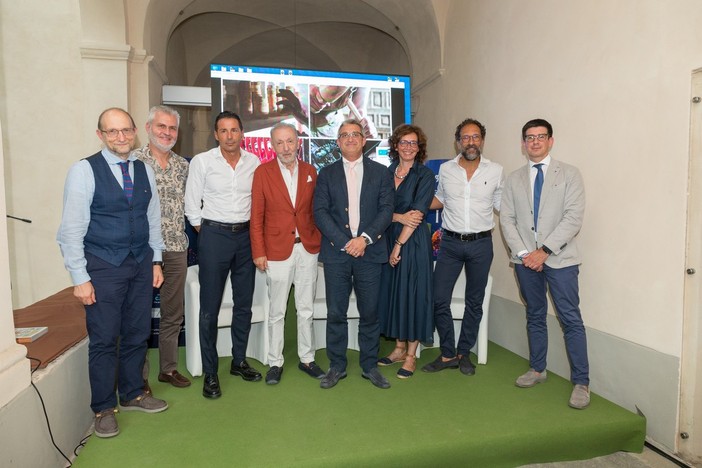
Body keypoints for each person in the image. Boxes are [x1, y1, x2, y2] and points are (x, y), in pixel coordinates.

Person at [57, 107, 168, 439]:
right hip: (103, 266)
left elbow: (152, 217)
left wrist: (156, 260)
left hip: (140, 263)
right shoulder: (83, 171)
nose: (121, 137)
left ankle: (133, 392)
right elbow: (70, 230)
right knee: (105, 339)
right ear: (100, 135)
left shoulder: (143, 169)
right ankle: (103, 408)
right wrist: (80, 277)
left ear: (135, 131)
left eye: (126, 131)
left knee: (137, 333)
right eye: (112, 132)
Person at [500, 118, 590, 409]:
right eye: (529, 137)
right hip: (525, 260)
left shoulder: (570, 174)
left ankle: (582, 382)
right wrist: (526, 253)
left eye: (541, 137)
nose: (535, 142)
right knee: (535, 314)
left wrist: (545, 251)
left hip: (560, 259)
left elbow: (573, 217)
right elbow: (507, 219)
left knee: (570, 319)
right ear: (523, 143)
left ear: (550, 141)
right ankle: (537, 369)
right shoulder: (513, 179)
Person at [185, 111, 261, 399]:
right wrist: (207, 233)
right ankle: (211, 372)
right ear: (216, 135)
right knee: (209, 308)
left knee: (244, 302)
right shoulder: (203, 162)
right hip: (213, 236)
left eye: (234, 130)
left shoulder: (253, 162)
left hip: (246, 237)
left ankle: (239, 361)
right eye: (223, 131)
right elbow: (192, 205)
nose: (229, 136)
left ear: (242, 133)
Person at [313, 119, 394, 389]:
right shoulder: (326, 173)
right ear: (337, 142)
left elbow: (386, 210)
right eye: (344, 135)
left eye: (355, 134)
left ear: (363, 140)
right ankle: (337, 366)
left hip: (370, 253)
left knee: (370, 312)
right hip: (337, 254)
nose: (350, 139)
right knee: (336, 312)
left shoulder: (381, 173)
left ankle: (370, 366)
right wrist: (346, 242)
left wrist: (365, 239)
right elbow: (320, 212)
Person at [421, 118, 504, 376]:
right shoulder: (446, 170)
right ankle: (447, 353)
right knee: (438, 299)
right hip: (450, 244)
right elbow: (440, 199)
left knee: (474, 302)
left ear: (482, 140)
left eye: (475, 137)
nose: (471, 142)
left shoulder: (496, 170)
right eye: (465, 137)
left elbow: (504, 207)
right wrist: (411, 204)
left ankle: (463, 352)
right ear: (458, 141)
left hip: (481, 244)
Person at [250, 122, 325, 385]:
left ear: (298, 142)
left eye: (290, 141)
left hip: (306, 249)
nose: (285, 147)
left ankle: (307, 358)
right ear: (272, 145)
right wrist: (258, 251)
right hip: (275, 252)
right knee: (277, 311)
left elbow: (315, 211)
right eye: (279, 142)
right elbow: (256, 215)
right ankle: (275, 362)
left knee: (306, 308)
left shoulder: (310, 171)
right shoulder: (262, 172)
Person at [133, 105, 191, 389]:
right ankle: (139, 378)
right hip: (144, 250)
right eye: (161, 127)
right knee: (140, 315)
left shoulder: (183, 165)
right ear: (148, 128)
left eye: (172, 128)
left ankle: (167, 369)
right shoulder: (133, 162)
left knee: (173, 312)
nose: (167, 133)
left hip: (177, 246)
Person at [377, 124, 435, 379]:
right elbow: (377, 211)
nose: (409, 147)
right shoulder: (386, 173)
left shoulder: (425, 176)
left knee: (413, 295)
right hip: (388, 239)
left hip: (413, 243)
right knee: (395, 295)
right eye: (404, 142)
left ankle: (411, 355)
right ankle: (399, 348)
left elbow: (418, 215)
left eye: (413, 143)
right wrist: (398, 216)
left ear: (419, 147)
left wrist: (399, 245)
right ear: (396, 146)